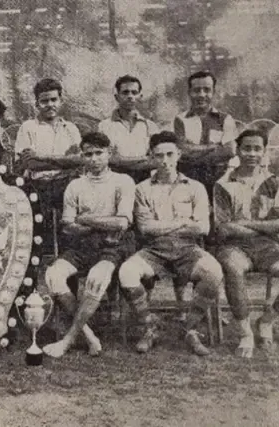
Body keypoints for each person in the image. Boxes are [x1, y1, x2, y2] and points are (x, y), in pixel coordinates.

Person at [118, 131, 223, 356]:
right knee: (127, 272)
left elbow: (202, 228)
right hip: (154, 250)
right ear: (151, 157)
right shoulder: (142, 189)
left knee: (213, 271)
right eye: (159, 155)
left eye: (169, 154)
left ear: (179, 155)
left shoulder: (195, 187)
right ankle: (150, 326)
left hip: (188, 249)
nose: (164, 161)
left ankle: (190, 328)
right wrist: (183, 222)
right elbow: (146, 228)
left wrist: (164, 225)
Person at [43, 132, 136, 358]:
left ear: (109, 153)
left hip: (113, 246)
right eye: (88, 154)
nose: (94, 159)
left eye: (99, 153)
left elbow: (121, 223)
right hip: (82, 246)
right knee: (53, 275)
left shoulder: (123, 181)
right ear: (82, 156)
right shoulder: (75, 185)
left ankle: (67, 340)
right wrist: (100, 224)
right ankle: (89, 335)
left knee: (96, 277)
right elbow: (67, 226)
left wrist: (84, 219)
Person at [214, 129, 279, 358]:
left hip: (267, 245)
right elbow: (224, 228)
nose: (252, 154)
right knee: (233, 268)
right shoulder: (223, 184)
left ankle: (267, 319)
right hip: (234, 246)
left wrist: (244, 223)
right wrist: (263, 225)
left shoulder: (274, 182)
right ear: (238, 151)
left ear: (264, 151)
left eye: (257, 149)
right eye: (247, 148)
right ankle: (245, 333)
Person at [15, 78, 84, 251]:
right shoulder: (28, 127)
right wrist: (65, 162)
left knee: (69, 230)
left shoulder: (71, 129)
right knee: (39, 233)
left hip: (65, 185)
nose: (50, 105)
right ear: (36, 104)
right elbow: (30, 163)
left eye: (54, 99)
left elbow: (79, 161)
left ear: (61, 101)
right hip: (38, 185)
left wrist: (43, 158)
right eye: (44, 101)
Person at [172, 71, 238, 196]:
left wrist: (194, 152)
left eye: (207, 90)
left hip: (219, 179)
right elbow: (183, 152)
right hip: (189, 180)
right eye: (196, 90)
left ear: (213, 92)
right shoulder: (181, 119)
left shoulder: (225, 119)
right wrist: (214, 146)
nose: (202, 95)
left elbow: (229, 151)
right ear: (189, 92)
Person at [98, 75, 159, 181]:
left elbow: (156, 159)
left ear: (140, 96)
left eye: (134, 92)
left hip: (144, 180)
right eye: (125, 92)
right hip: (114, 180)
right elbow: (108, 159)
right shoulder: (104, 126)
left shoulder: (150, 126)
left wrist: (122, 162)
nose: (130, 96)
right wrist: (143, 158)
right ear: (117, 97)